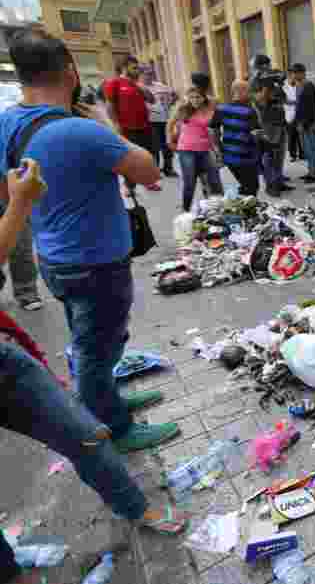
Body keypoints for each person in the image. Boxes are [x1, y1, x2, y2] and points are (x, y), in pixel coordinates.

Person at [0, 158, 189, 584]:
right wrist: (18, 205)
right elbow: (145, 168)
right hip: (76, 273)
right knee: (91, 363)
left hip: (5, 362)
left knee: (83, 432)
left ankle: (136, 507)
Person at [0, 29, 179, 454]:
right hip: (96, 264)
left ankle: (106, 398)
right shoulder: (83, 131)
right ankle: (116, 428)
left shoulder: (6, 123)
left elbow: (4, 195)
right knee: (97, 349)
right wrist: (104, 124)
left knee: (92, 341)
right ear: (70, 70)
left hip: (55, 261)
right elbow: (149, 171)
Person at [103, 56, 160, 192]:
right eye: (134, 68)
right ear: (124, 68)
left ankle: (148, 182)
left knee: (150, 154)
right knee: (129, 158)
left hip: (145, 126)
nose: (137, 70)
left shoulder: (137, 84)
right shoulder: (114, 83)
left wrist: (141, 87)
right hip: (127, 128)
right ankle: (129, 186)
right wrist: (116, 124)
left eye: (137, 67)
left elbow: (152, 100)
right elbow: (109, 106)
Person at [169, 86, 224, 212]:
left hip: (205, 149)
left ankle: (219, 206)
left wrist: (216, 150)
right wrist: (169, 141)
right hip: (186, 150)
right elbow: (170, 124)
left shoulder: (210, 109)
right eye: (191, 97)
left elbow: (212, 130)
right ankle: (186, 209)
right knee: (190, 182)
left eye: (198, 97)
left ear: (203, 97)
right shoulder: (183, 109)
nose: (195, 100)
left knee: (215, 180)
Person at [210, 80, 261, 198]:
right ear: (240, 91)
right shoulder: (249, 111)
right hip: (246, 156)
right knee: (251, 188)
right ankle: (243, 209)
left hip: (229, 156)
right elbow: (256, 134)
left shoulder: (221, 108)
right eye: (249, 91)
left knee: (246, 186)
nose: (250, 94)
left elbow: (214, 130)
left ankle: (239, 204)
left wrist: (219, 149)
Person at [141, 68, 177, 177]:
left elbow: (174, 95)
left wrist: (170, 103)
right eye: (146, 74)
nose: (148, 76)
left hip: (165, 120)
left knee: (167, 144)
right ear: (141, 75)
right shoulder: (139, 87)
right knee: (154, 147)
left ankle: (168, 168)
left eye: (150, 73)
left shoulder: (161, 86)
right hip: (151, 121)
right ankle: (155, 170)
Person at [289, 64, 315, 184]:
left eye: (295, 73)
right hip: (301, 123)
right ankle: (311, 171)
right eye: (292, 73)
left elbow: (310, 107)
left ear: (302, 73)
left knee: (311, 148)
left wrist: (304, 123)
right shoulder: (299, 86)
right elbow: (299, 106)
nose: (293, 75)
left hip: (308, 123)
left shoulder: (308, 86)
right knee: (307, 150)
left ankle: (314, 174)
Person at [283, 67, 304, 163]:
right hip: (289, 114)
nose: (292, 77)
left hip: (298, 113)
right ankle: (292, 155)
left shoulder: (298, 85)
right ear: (288, 76)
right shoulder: (284, 86)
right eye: (290, 75)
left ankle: (302, 153)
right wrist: (294, 102)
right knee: (291, 136)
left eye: (293, 75)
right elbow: (284, 100)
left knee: (300, 135)